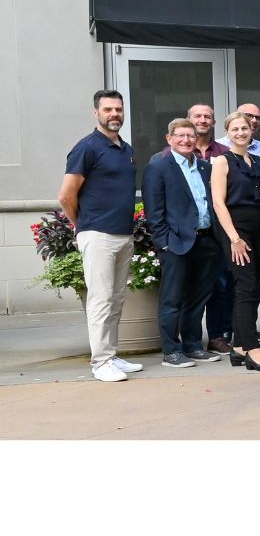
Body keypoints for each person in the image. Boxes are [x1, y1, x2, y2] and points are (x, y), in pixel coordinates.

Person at [61, 91, 143, 381]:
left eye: (118, 109)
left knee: (117, 298)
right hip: (97, 234)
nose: (114, 114)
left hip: (123, 234)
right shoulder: (87, 148)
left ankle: (111, 354)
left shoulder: (126, 149)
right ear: (96, 112)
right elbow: (66, 196)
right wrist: (82, 224)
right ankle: (101, 363)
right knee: (100, 299)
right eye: (108, 109)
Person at [145, 119, 223, 368]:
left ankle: (192, 345)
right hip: (175, 243)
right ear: (169, 139)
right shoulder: (158, 168)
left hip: (206, 240)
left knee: (198, 297)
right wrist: (163, 243)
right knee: (172, 298)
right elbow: (154, 212)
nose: (186, 140)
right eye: (180, 136)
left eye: (190, 136)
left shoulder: (204, 167)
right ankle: (171, 351)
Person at [209, 109, 260, 370]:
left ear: (252, 131)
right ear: (228, 133)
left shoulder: (259, 161)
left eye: (245, 128)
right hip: (236, 229)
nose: (241, 132)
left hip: (259, 228)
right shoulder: (222, 161)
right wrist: (234, 238)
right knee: (245, 287)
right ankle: (252, 348)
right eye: (235, 129)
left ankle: (239, 346)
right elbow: (218, 203)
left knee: (254, 288)